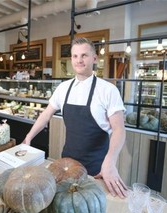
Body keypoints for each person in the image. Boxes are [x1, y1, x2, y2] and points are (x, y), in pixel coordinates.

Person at [23, 37, 127, 198]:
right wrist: (28, 138)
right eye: (75, 56)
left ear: (94, 58)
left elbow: (119, 129)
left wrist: (110, 162)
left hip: (97, 168)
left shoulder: (108, 90)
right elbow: (45, 114)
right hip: (67, 164)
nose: (79, 60)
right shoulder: (63, 88)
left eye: (84, 55)